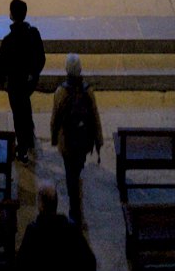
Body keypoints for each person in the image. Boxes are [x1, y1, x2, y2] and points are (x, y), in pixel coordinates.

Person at [50, 53, 103, 228]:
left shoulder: (61, 92)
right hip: (83, 141)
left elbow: (55, 118)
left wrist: (53, 137)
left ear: (66, 70)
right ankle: (76, 205)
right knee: (77, 168)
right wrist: (98, 140)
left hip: (67, 142)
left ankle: (75, 211)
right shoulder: (88, 91)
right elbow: (95, 116)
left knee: (70, 173)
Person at [0, 0, 45, 163]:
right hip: (28, 82)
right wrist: (35, 74)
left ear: (11, 15)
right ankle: (29, 138)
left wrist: (3, 82)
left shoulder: (8, 41)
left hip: (15, 85)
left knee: (18, 114)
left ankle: (23, 148)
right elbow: (41, 57)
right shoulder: (33, 34)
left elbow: (1, 65)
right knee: (25, 106)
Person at [16, 180, 96, 271]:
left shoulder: (33, 232)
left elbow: (21, 264)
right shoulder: (71, 229)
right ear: (56, 204)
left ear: (41, 205)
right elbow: (90, 262)